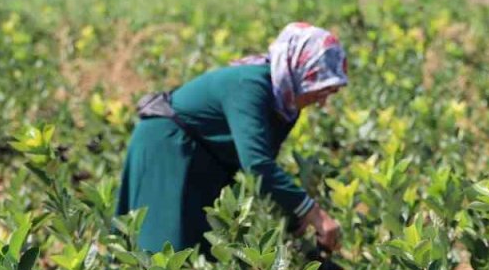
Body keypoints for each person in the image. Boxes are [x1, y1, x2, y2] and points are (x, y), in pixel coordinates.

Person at [117, 22, 346, 255]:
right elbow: (256, 164)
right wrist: (314, 213)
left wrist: (295, 218)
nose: (321, 102)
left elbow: (262, 175)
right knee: (163, 254)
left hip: (204, 161)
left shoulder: (285, 105)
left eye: (329, 91)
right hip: (168, 148)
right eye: (319, 88)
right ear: (299, 67)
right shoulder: (250, 86)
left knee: (202, 255)